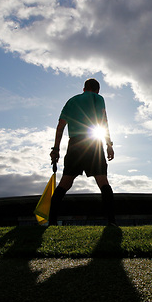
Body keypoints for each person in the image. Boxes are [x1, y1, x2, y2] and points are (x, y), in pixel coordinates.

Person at [48, 78, 116, 226]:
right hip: (93, 143)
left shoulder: (71, 101)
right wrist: (108, 144)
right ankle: (111, 222)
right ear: (97, 90)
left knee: (65, 183)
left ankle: (51, 222)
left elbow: (60, 127)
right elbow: (103, 121)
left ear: (84, 89)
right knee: (102, 181)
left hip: (75, 144)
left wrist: (56, 149)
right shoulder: (98, 98)